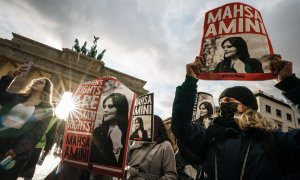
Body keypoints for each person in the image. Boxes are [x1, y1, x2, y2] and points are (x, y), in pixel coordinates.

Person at [171, 55, 300, 180]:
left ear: (246, 106)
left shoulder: (272, 140)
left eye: (228, 100)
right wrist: (190, 81)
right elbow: (181, 126)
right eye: (221, 102)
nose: (223, 105)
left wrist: (289, 84)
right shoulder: (210, 137)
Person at [0, 66, 54, 179]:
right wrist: (11, 76)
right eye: (36, 80)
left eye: (41, 82)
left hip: (13, 151)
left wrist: (17, 150)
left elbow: (36, 133)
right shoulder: (18, 97)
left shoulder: (47, 108)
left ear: (46, 89)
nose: (37, 81)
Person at [126, 115, 177, 180]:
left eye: (149, 125)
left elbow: (171, 176)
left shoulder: (165, 145)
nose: (147, 128)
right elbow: (127, 162)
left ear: (156, 126)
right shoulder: (138, 141)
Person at [90, 93, 129, 167]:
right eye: (104, 106)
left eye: (110, 106)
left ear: (120, 109)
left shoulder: (127, 133)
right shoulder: (97, 131)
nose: (105, 110)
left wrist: (116, 144)